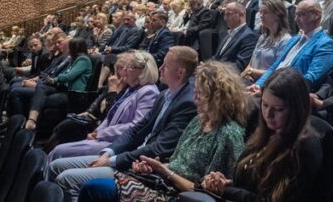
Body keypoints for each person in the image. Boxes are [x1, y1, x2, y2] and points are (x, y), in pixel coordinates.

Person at [82, 61, 248, 202]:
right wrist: (153, 167)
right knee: (95, 186)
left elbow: (208, 191)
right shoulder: (198, 121)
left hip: (182, 195)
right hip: (163, 182)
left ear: (218, 97)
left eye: (200, 93)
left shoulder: (228, 134)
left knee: (96, 188)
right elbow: (176, 162)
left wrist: (165, 172)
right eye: (195, 91)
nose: (194, 97)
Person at [48, 47, 199, 202]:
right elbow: (135, 129)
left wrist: (113, 159)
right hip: (129, 156)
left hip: (141, 166)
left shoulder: (186, 103)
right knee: (56, 166)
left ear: (180, 73)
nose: (160, 68)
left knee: (67, 178)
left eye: (165, 66)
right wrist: (109, 153)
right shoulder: (164, 95)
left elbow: (159, 147)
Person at [198, 69, 324, 202]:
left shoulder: (305, 148)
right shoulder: (262, 131)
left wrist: (228, 191)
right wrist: (222, 183)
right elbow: (248, 184)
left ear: (296, 109)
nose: (268, 115)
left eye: (278, 109)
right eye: (264, 105)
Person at [47, 51, 160, 169]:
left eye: (130, 67)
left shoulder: (148, 92)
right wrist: (97, 131)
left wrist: (102, 134)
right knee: (58, 149)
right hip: (104, 138)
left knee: (59, 152)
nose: (124, 70)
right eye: (123, 67)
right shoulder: (131, 89)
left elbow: (135, 127)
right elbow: (110, 116)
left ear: (143, 71)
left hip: (117, 144)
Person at [253, 0, 333, 91]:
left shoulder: (325, 43)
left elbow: (310, 78)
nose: (296, 19)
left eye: (301, 15)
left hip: (288, 93)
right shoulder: (295, 39)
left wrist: (271, 90)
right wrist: (258, 85)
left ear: (316, 15)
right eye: (296, 15)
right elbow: (274, 66)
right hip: (271, 88)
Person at [26, 37, 93, 130]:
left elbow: (69, 76)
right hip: (63, 88)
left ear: (76, 48)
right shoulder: (75, 59)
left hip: (73, 93)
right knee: (41, 88)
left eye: (71, 47)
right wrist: (53, 80)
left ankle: (35, 127)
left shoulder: (83, 60)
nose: (68, 50)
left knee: (39, 100)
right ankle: (32, 121)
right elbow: (65, 74)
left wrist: (55, 79)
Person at [241, 0, 293, 84]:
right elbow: (250, 63)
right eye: (260, 12)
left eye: (265, 12)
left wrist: (252, 71)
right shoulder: (263, 37)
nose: (261, 15)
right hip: (251, 81)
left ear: (277, 15)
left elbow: (279, 72)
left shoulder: (285, 40)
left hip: (268, 85)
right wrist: (245, 74)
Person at [213, 3, 258, 71]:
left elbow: (240, 65)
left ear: (241, 14)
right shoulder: (228, 34)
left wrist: (213, 69)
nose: (225, 18)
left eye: (228, 14)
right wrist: (206, 65)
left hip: (227, 77)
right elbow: (217, 57)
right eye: (225, 15)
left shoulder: (249, 37)